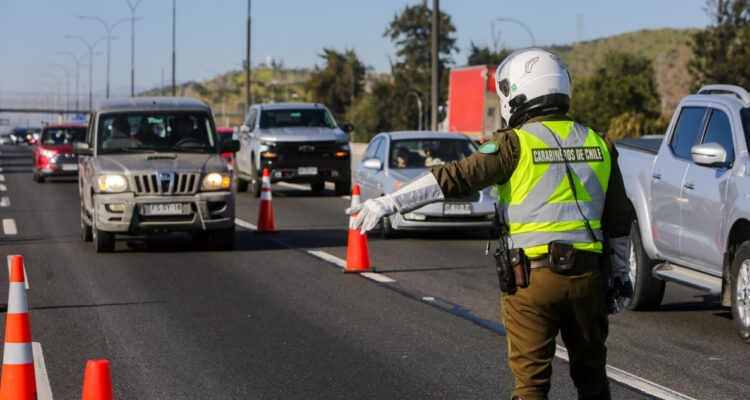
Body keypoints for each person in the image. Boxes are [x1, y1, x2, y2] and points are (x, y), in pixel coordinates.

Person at [348, 48, 634, 400]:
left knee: (531, 386)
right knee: (592, 380)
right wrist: (620, 276)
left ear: (518, 94)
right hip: (589, 280)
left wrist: (389, 202)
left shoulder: (514, 144)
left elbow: (452, 178)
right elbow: (620, 220)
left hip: (532, 281)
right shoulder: (601, 144)